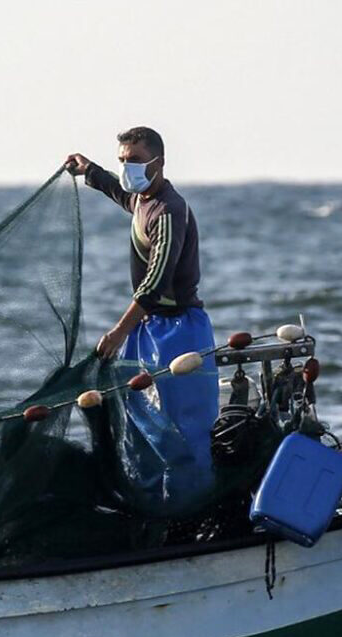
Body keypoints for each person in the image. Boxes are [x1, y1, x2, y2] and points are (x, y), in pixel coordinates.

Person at [66, 127, 219, 507]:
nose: (127, 168)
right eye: (122, 160)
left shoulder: (169, 211)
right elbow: (122, 195)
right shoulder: (143, 201)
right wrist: (91, 171)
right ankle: (151, 504)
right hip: (149, 329)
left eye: (134, 161)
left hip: (180, 331)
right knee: (143, 426)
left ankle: (188, 508)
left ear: (158, 163)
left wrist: (117, 333)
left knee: (182, 430)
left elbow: (154, 286)